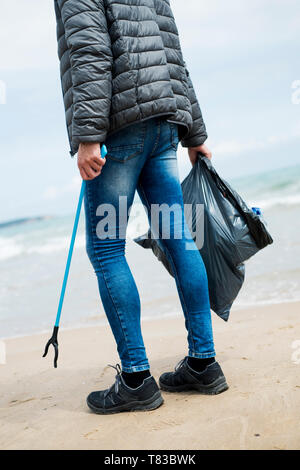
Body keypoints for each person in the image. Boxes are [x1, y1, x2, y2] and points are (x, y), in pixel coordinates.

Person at [54, 0, 228, 414]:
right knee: (180, 239)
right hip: (163, 125)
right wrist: (195, 132)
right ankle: (204, 363)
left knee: (106, 249)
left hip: (120, 133)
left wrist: (89, 137)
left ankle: (135, 379)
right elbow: (172, 52)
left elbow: (90, 52)